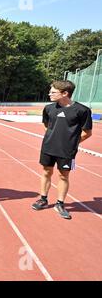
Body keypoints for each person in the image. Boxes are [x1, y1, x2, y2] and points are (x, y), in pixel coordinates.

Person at [32, 80, 92, 220]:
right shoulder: (48, 108)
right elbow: (47, 126)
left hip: (67, 152)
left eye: (53, 92)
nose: (49, 94)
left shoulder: (82, 110)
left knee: (64, 176)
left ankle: (60, 203)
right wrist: (52, 138)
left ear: (65, 93)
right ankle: (43, 199)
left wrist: (71, 143)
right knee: (46, 172)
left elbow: (87, 133)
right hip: (47, 147)